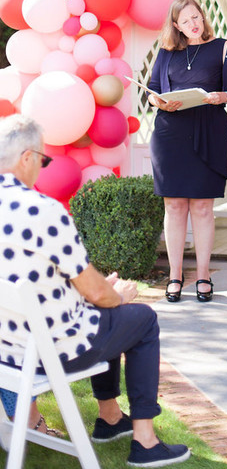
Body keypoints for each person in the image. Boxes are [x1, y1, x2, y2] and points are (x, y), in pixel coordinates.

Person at [0, 114, 189, 467]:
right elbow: (98, 294)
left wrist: (102, 295)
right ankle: (146, 442)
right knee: (141, 320)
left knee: (108, 314)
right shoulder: (42, 211)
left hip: (6, 350)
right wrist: (118, 295)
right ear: (26, 158)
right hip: (50, 351)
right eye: (42, 160)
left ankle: (111, 418)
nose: (41, 168)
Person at [149, 0, 227, 304]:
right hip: (170, 136)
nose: (193, 23)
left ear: (203, 18)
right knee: (174, 207)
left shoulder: (223, 49)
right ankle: (175, 275)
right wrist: (159, 101)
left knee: (202, 208)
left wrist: (221, 96)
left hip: (209, 134)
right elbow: (152, 90)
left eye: (197, 17)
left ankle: (203, 275)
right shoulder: (165, 53)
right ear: (175, 25)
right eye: (186, 20)